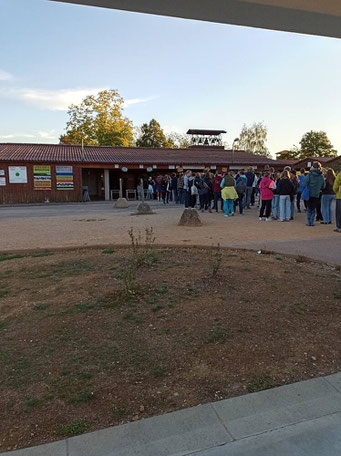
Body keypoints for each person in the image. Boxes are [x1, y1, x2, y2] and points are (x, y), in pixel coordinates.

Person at [302, 161, 325, 227]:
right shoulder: (321, 176)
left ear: (312, 166)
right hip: (316, 193)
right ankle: (312, 221)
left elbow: (303, 183)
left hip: (309, 193)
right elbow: (323, 186)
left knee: (309, 208)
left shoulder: (309, 175)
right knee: (314, 208)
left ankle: (309, 221)